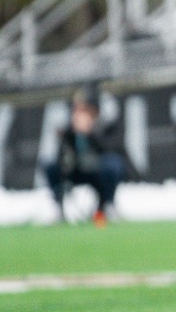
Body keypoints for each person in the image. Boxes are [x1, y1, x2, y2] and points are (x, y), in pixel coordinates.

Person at [43, 85, 128, 227]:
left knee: (112, 165)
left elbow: (112, 148)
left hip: (98, 171)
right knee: (50, 166)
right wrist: (68, 136)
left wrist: (91, 132)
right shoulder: (71, 128)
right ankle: (58, 207)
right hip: (77, 170)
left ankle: (108, 205)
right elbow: (61, 157)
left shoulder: (106, 124)